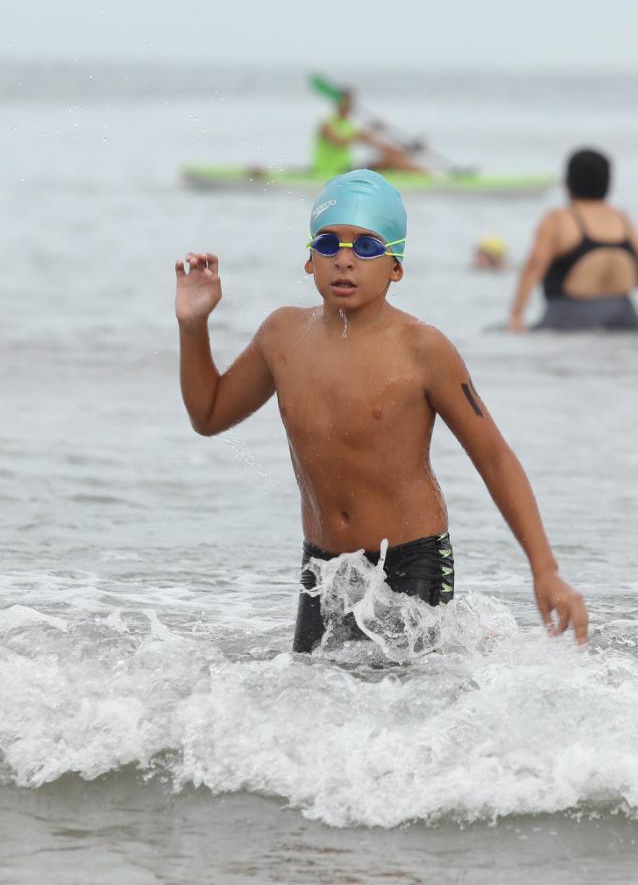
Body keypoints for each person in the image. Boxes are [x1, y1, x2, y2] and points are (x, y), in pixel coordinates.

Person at [175, 169, 588, 652]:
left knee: (404, 710)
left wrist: (545, 569)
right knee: (310, 702)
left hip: (412, 563)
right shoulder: (282, 336)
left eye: (367, 247)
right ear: (309, 260)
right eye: (329, 244)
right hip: (324, 567)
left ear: (395, 266)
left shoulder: (424, 350)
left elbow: (494, 458)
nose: (345, 261)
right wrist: (193, 326)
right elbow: (209, 415)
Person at [506, 148, 638, 331]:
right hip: (626, 317)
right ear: (608, 184)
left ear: (568, 183)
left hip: (568, 316)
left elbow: (535, 265)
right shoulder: (624, 221)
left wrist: (516, 315)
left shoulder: (558, 219)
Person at [313, 88, 425, 179]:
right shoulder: (327, 124)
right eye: (347, 103)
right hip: (330, 172)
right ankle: (430, 179)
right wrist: (361, 134)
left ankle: (428, 175)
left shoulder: (350, 126)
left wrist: (407, 149)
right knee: (389, 160)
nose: (350, 107)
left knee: (391, 156)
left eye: (351, 103)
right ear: (338, 104)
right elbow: (338, 141)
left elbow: (378, 145)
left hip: (348, 170)